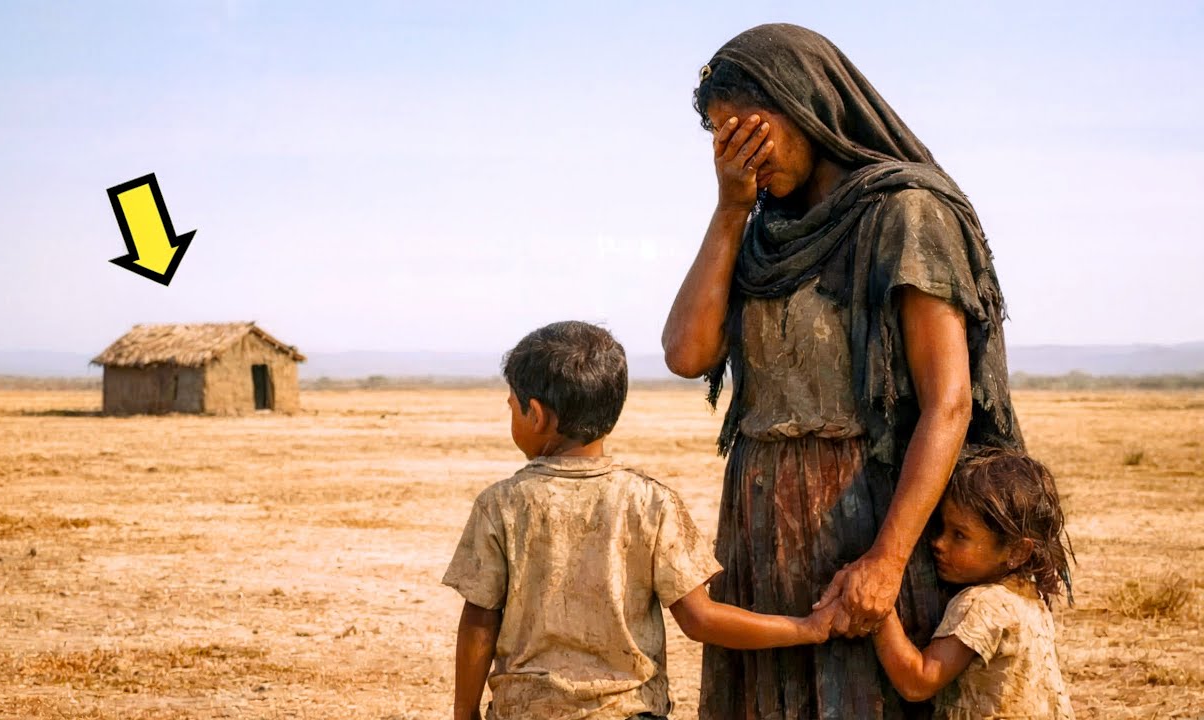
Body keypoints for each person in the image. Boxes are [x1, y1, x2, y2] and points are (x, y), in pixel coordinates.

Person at [661, 24, 1023, 718]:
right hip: (761, 519)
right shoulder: (760, 229)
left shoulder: (905, 212)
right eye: (721, 138)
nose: (739, 154)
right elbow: (687, 354)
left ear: (805, 103)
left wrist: (886, 561)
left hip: (873, 515)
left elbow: (948, 401)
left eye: (751, 132)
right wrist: (730, 207)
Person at [444, 320, 839, 720]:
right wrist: (807, 628)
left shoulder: (500, 505)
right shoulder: (651, 502)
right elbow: (701, 620)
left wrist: (465, 712)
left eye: (512, 405)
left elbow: (480, 618)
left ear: (536, 415)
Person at [867, 447, 1076, 719]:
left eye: (959, 535)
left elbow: (917, 683)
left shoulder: (982, 604)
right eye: (941, 528)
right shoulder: (1030, 599)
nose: (938, 543)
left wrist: (879, 609)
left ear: (1016, 552)